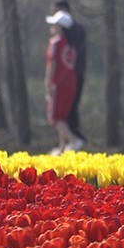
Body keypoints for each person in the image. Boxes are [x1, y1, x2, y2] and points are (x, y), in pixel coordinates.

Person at [44, 10, 83, 155]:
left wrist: (48, 82)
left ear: (61, 27)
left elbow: (52, 64)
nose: (52, 26)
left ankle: (74, 141)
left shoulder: (55, 42)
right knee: (63, 117)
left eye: (55, 24)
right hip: (71, 83)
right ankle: (61, 148)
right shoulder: (71, 45)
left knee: (54, 118)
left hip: (58, 84)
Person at [54, 0, 87, 150]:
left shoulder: (72, 30)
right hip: (72, 74)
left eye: (56, 11)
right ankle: (65, 143)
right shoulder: (75, 29)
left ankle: (74, 138)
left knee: (67, 110)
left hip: (71, 75)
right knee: (66, 110)